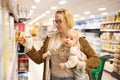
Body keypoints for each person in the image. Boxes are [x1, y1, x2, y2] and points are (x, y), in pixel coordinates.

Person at [17, 8, 100, 80]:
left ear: (68, 21)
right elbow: (39, 58)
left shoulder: (79, 39)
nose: (56, 24)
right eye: (55, 21)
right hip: (53, 78)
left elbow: (96, 60)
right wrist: (26, 43)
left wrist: (80, 64)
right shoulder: (50, 38)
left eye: (59, 21)